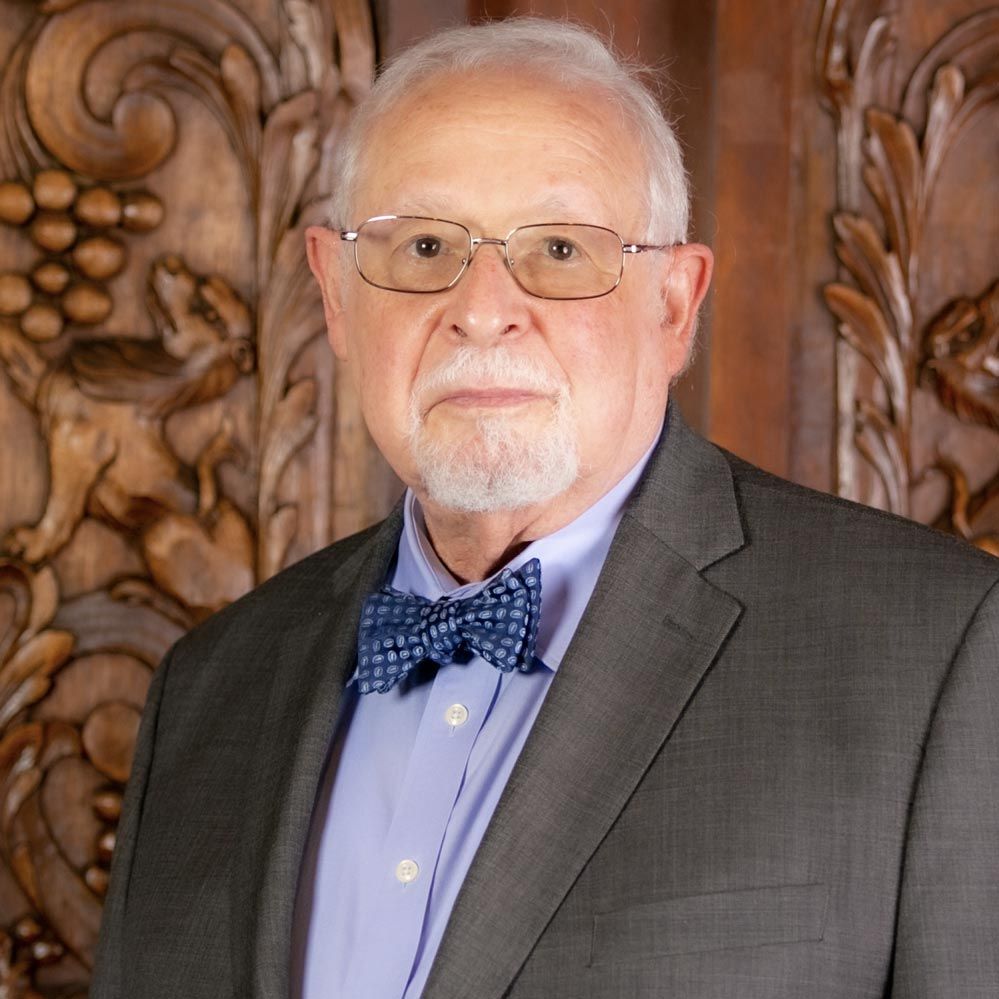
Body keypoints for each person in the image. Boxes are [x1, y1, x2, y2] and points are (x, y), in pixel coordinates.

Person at [91, 18, 998, 999]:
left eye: (561, 247)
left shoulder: (933, 656)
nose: (483, 307)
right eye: (425, 243)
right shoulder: (208, 686)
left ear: (673, 306)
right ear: (336, 296)